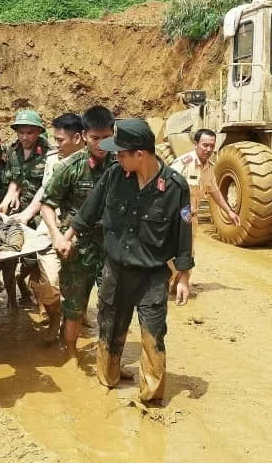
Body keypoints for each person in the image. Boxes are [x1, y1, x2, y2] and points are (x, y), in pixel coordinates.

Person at [67, 119, 193, 403]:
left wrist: (183, 275)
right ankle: (108, 382)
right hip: (115, 271)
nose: (116, 157)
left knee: (153, 335)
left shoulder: (175, 187)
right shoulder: (114, 176)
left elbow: (184, 231)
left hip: (152, 276)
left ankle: (151, 399)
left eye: (121, 153)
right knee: (110, 329)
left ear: (140, 154)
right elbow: (89, 209)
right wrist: (69, 233)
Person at [41, 106, 116, 356]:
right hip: (78, 248)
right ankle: (72, 354)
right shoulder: (70, 167)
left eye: (107, 137)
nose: (102, 144)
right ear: (84, 136)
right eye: (96, 138)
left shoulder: (121, 164)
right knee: (73, 307)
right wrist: (56, 235)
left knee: (112, 305)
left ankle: (109, 359)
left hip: (110, 247)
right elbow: (47, 204)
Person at [26, 113, 86, 323]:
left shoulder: (94, 163)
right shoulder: (52, 159)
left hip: (80, 230)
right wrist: (26, 215)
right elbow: (45, 192)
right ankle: (54, 317)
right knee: (48, 282)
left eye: (60, 140)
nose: (56, 144)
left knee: (78, 280)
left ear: (78, 138)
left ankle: (74, 319)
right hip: (51, 227)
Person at [168, 128, 240, 293]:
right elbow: (167, 189)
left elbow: (214, 191)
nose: (208, 149)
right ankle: (161, 285)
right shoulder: (183, 164)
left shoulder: (208, 167)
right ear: (196, 144)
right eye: (205, 145)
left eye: (212, 146)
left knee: (188, 253)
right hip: (175, 218)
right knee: (171, 254)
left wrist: (229, 211)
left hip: (190, 219)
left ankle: (178, 286)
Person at [0, 109, 52, 307]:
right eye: (21, 132)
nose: (24, 137)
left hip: (41, 212)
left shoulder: (50, 153)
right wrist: (7, 201)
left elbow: (48, 189)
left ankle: (38, 295)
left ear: (38, 132)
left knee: (36, 260)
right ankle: (12, 298)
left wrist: (29, 214)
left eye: (29, 132)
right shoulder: (13, 151)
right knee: (8, 256)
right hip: (18, 211)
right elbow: (15, 180)